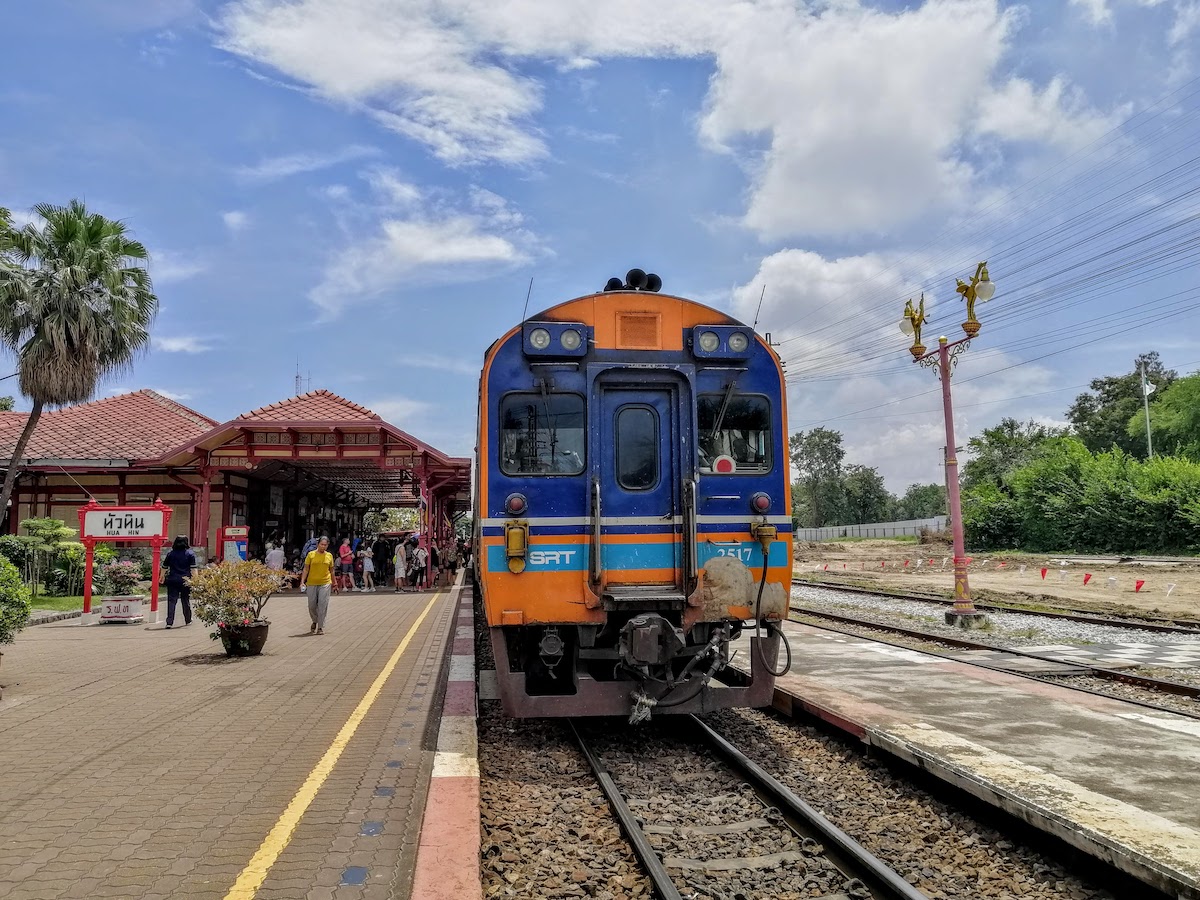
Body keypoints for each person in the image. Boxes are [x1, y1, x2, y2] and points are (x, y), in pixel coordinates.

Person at [299, 535, 338, 635]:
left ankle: (320, 626)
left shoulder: (329, 556)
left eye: (325, 545)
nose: (323, 547)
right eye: (321, 544)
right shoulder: (311, 555)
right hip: (312, 583)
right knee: (311, 605)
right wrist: (302, 581)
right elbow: (306, 569)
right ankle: (315, 620)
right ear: (318, 544)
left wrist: (335, 583)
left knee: (322, 604)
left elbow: (332, 571)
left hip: (325, 583)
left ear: (327, 545)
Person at [160, 535, 197, 629]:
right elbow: (193, 569)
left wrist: (161, 577)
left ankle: (169, 622)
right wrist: (196, 580)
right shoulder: (190, 554)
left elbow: (164, 567)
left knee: (171, 601)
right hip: (185, 580)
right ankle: (188, 619)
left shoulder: (170, 554)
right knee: (185, 600)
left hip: (172, 579)